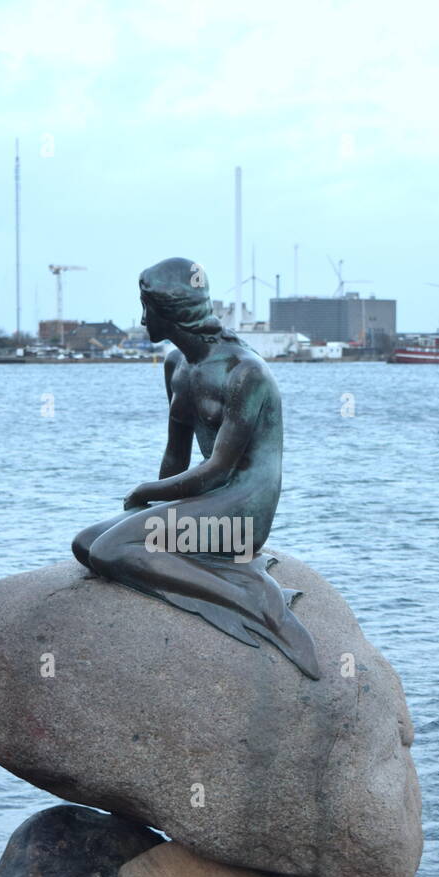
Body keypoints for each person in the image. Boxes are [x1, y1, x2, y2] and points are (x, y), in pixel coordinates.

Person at [71, 256, 320, 679]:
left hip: (243, 511)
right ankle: (210, 573)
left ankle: (252, 598)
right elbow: (176, 457)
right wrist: (144, 508)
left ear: (170, 312)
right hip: (209, 500)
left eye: (147, 307)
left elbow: (219, 469)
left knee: (112, 550)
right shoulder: (177, 366)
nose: (143, 316)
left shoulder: (246, 373)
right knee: (86, 544)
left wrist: (146, 492)